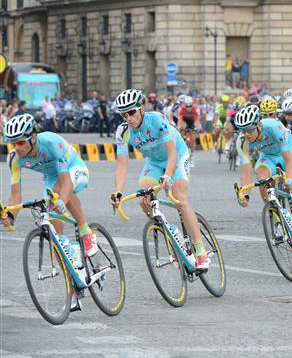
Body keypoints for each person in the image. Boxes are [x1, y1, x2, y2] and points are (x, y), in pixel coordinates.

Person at [109, 89, 209, 271]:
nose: (128, 118)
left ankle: (200, 250)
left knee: (179, 197)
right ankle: (172, 233)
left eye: (131, 112)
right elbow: (122, 164)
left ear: (141, 108)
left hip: (177, 156)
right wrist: (118, 191)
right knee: (144, 199)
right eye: (123, 114)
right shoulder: (123, 131)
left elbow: (172, 152)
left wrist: (168, 176)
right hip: (154, 162)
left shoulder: (156, 119)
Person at [1, 114, 97, 282]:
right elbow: (16, 194)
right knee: (55, 237)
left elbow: (66, 180)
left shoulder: (51, 142)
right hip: (52, 178)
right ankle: (73, 281)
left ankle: (86, 231)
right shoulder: (14, 159)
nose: (17, 147)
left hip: (73, 168)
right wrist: (10, 217)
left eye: (21, 142)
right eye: (13, 143)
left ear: (33, 138)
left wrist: (61, 201)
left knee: (58, 194)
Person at [234, 105, 292, 257]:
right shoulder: (242, 141)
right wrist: (244, 194)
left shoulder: (273, 127)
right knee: (261, 175)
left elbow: (289, 160)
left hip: (287, 153)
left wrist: (289, 178)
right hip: (268, 157)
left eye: (250, 129)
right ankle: (277, 218)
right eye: (242, 130)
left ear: (258, 125)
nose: (246, 134)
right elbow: (246, 171)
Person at [177, 95, 202, 166]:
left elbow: (197, 120)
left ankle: (192, 157)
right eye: (187, 106)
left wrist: (198, 127)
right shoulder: (181, 109)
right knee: (182, 128)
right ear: (184, 105)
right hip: (184, 121)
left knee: (193, 138)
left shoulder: (196, 108)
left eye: (190, 106)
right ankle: (181, 143)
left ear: (192, 105)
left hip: (192, 121)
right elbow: (180, 119)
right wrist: (179, 127)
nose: (188, 108)